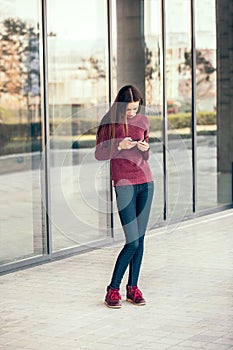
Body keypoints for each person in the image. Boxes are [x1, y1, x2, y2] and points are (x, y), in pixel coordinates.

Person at [95, 85, 154, 308]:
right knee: (132, 241)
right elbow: (99, 153)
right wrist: (119, 145)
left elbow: (147, 154)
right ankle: (112, 289)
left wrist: (143, 147)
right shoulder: (109, 123)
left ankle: (133, 288)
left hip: (146, 183)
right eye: (128, 109)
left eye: (135, 109)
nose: (132, 113)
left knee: (140, 240)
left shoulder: (143, 121)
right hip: (124, 184)